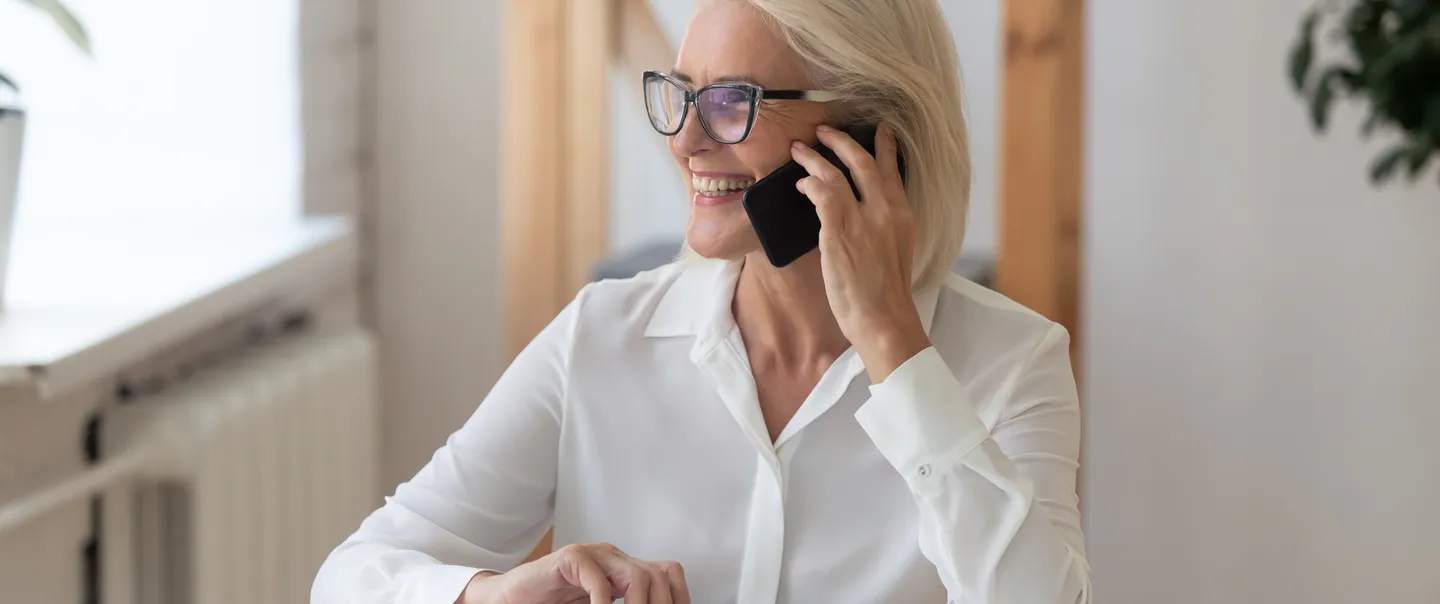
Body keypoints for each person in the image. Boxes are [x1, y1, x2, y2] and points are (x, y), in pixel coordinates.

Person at [312, 0, 1090, 602]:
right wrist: (492, 595)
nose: (685, 141)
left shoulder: (1012, 363)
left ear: (866, 135)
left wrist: (894, 347)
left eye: (730, 102)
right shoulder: (600, 337)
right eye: (681, 96)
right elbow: (351, 576)